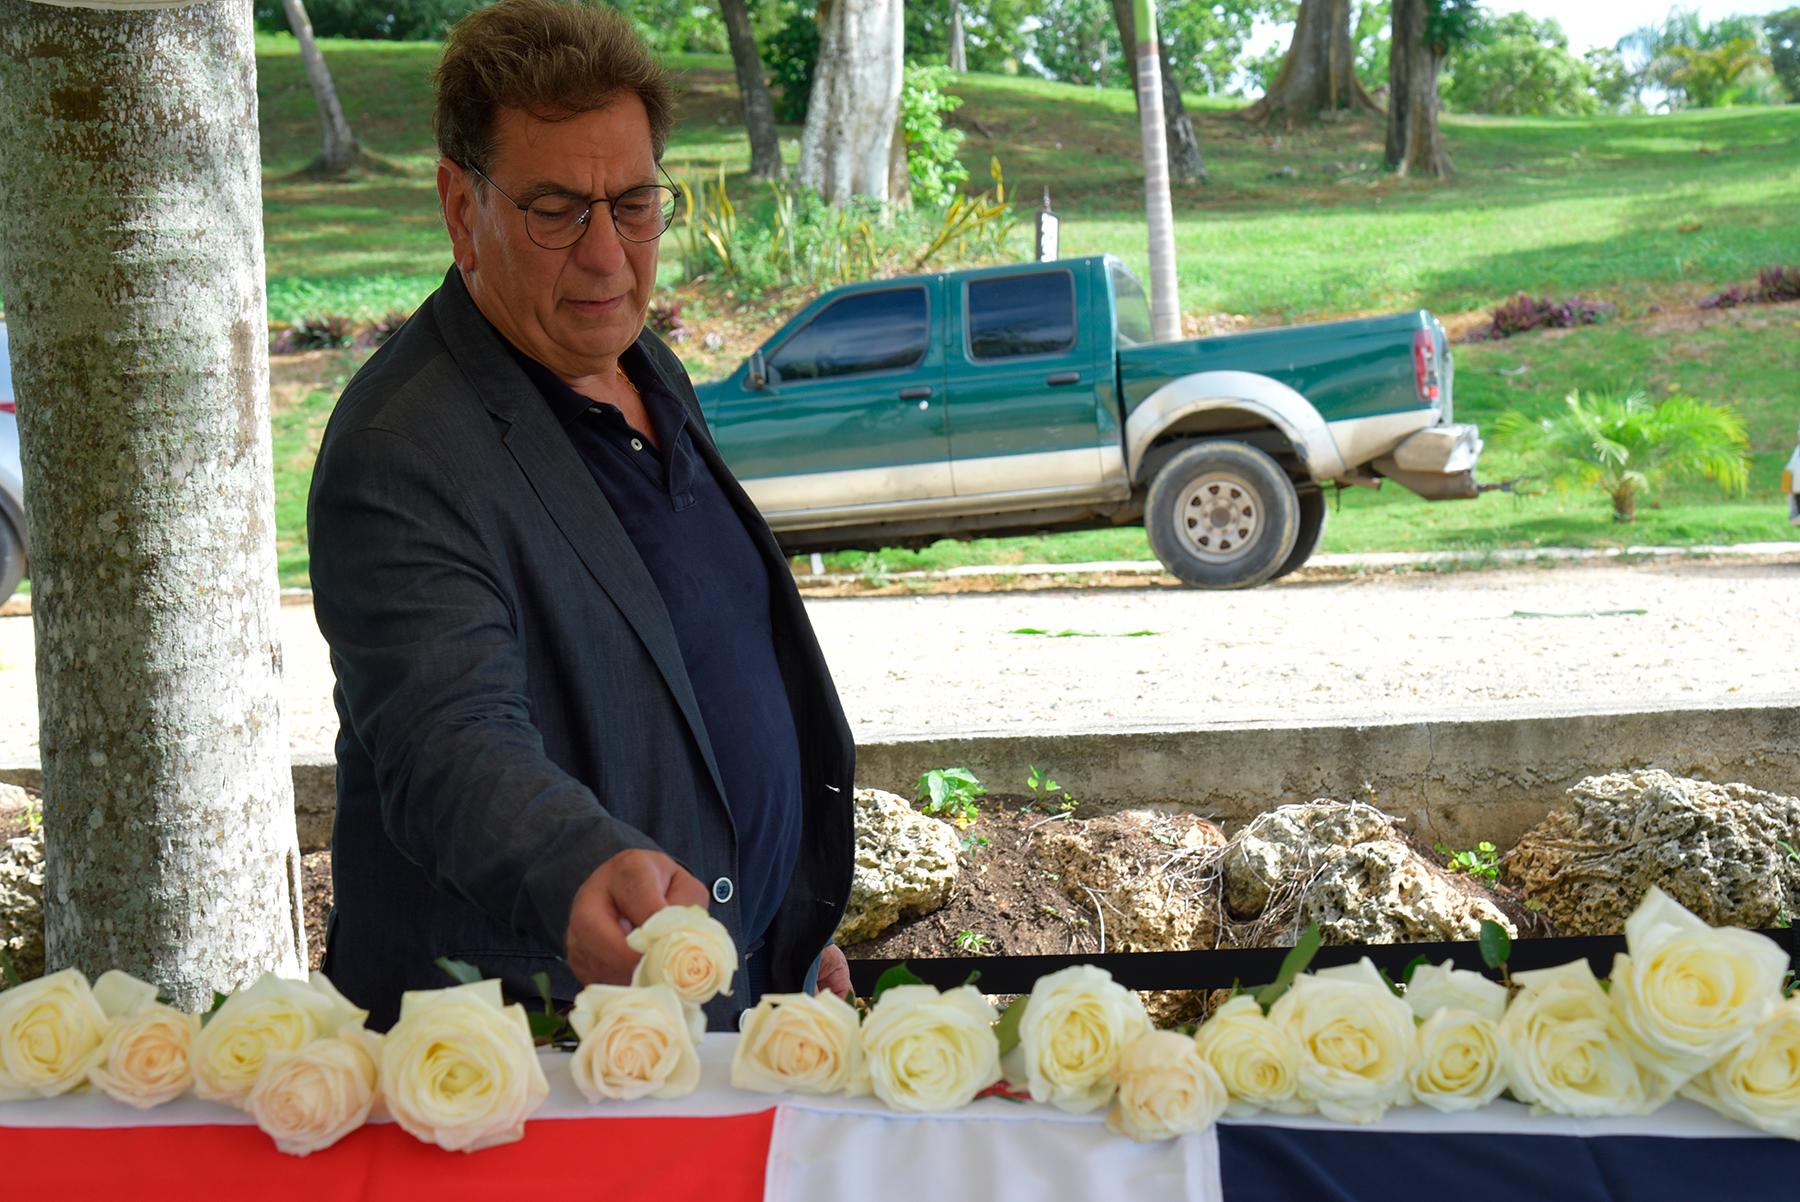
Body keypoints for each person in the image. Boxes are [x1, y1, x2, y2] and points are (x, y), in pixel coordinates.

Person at [306, 0, 854, 1031]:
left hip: (732, 1018)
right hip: (534, 1065)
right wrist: (572, 866)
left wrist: (781, 920)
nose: (608, 256)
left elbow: (690, 668)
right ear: (462, 209)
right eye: (557, 210)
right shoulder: (402, 450)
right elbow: (448, 738)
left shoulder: (647, 367)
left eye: (635, 204)